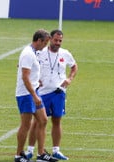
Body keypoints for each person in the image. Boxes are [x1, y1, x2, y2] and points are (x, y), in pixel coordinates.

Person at [25, 29, 78, 160]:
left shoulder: (65, 54)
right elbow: (24, 67)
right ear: (50, 40)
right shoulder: (40, 52)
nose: (58, 43)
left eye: (60, 41)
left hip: (59, 92)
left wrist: (69, 79)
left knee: (57, 120)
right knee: (37, 122)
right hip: (42, 93)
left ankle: (56, 150)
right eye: (55, 40)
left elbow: (74, 66)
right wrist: (35, 80)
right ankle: (30, 150)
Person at [14, 29, 58, 162]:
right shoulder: (28, 54)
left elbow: (28, 72)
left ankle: (41, 154)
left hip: (33, 91)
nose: (45, 45)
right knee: (25, 125)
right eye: (45, 43)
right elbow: (25, 77)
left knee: (43, 120)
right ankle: (18, 155)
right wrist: (34, 95)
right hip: (26, 94)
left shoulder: (34, 52)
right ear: (38, 40)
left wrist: (36, 80)